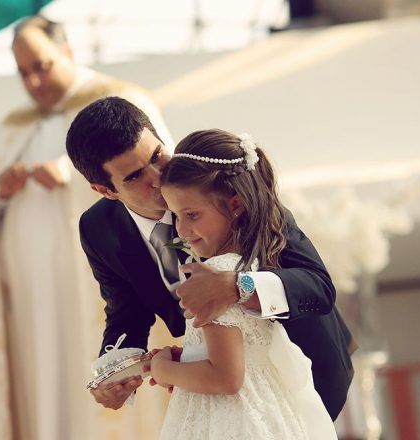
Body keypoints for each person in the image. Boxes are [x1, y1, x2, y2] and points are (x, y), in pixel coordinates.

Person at [0, 16, 172, 440]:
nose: (33, 82)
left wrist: (68, 176)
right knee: (42, 380)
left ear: (67, 52)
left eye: (42, 66)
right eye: (23, 72)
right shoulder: (13, 126)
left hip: (89, 290)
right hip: (32, 301)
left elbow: (163, 187)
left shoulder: (121, 102)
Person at [66, 97, 354, 420]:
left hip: (310, 370)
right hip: (227, 399)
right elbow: (126, 313)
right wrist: (113, 373)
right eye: (134, 176)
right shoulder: (98, 229)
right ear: (106, 190)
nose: (158, 177)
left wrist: (238, 286)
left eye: (157, 156)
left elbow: (317, 286)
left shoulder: (222, 183)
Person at [152, 128, 337, 439]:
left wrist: (162, 370)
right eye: (176, 216)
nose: (181, 230)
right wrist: (189, 358)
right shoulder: (237, 261)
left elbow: (226, 378)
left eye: (192, 215)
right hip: (267, 406)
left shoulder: (214, 274)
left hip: (248, 412)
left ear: (236, 205)